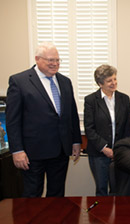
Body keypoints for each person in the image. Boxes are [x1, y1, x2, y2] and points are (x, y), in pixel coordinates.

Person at [6, 42, 81, 197]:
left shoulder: (65, 82)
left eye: (58, 60)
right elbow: (12, 120)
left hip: (60, 150)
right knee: (32, 194)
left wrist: (75, 141)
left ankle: (56, 222)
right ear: (37, 59)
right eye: (50, 60)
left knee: (57, 194)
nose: (55, 64)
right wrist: (17, 150)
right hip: (32, 152)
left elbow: (71, 114)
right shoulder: (19, 81)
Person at [84, 64, 130, 196]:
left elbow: (128, 126)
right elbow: (89, 128)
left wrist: (121, 148)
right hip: (99, 153)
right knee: (101, 189)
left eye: (115, 79)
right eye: (109, 81)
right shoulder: (91, 100)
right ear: (100, 83)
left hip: (120, 153)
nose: (114, 83)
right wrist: (104, 148)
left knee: (119, 189)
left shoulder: (124, 99)